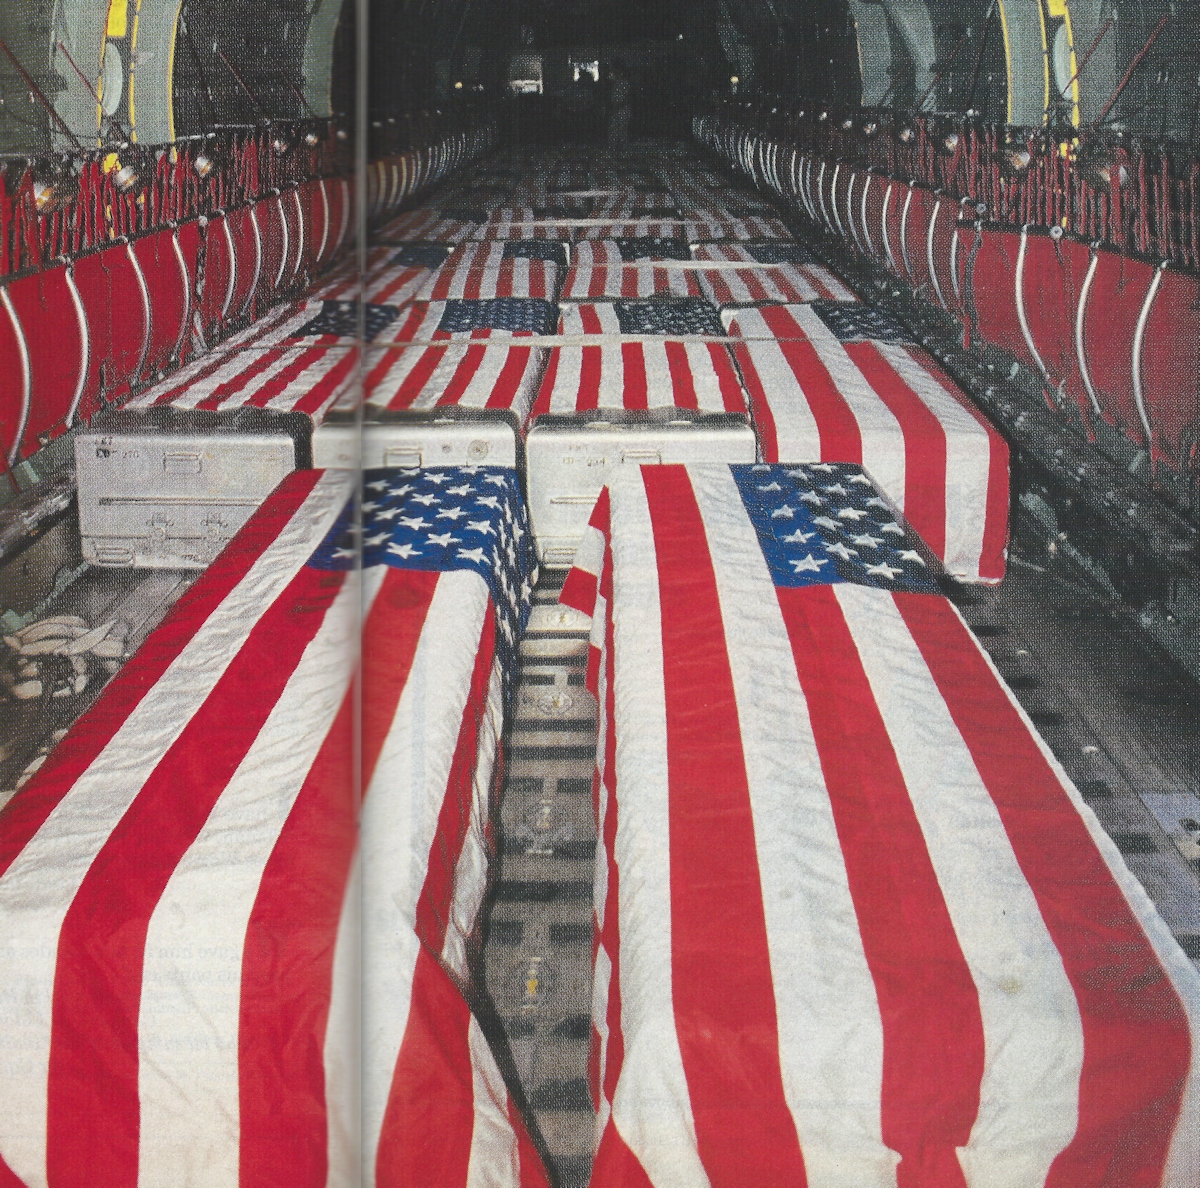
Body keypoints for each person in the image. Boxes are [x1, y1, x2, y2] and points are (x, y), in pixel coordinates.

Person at [606, 62, 632, 146]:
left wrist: (619, 106)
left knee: (622, 130)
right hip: (615, 109)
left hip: (622, 109)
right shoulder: (614, 83)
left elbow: (628, 97)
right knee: (613, 130)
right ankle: (613, 149)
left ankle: (622, 150)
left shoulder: (624, 82)